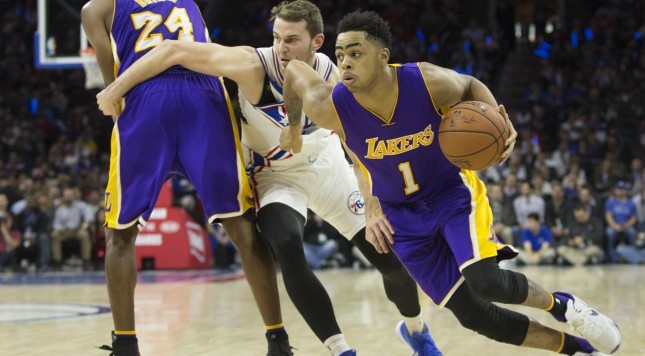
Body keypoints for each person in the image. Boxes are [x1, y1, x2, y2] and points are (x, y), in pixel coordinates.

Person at [95, 2, 441, 355]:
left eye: (291, 40)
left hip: (328, 169)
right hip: (276, 176)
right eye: (276, 38)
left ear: (317, 41)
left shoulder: (334, 75)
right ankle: (339, 349)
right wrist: (114, 88)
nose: (281, 48)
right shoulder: (251, 64)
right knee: (286, 244)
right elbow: (172, 49)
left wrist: (372, 203)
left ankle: (415, 330)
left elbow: (358, 145)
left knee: (390, 259)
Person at [279, 10, 622, 355]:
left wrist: (500, 121)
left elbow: (470, 84)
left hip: (450, 192)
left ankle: (564, 307)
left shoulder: (425, 81)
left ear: (383, 56)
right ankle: (576, 349)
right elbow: (294, 71)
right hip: (400, 216)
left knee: (486, 281)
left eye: (356, 53)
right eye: (340, 55)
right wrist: (294, 128)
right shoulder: (330, 105)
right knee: (475, 316)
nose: (345, 63)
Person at [81, 0, 288, 355]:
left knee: (119, 233)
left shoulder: (96, 7)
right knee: (240, 223)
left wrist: (121, 109)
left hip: (143, 100)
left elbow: (110, 76)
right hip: (204, 97)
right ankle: (278, 340)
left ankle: (125, 345)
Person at [604, 181, 638, 263]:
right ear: (615, 190)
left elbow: (634, 218)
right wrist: (615, 226)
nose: (621, 191)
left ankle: (632, 256)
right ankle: (611, 255)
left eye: (623, 189)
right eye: (618, 189)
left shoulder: (631, 203)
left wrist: (626, 225)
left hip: (626, 226)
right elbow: (608, 216)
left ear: (626, 191)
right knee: (609, 232)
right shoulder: (610, 202)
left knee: (632, 232)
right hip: (614, 226)